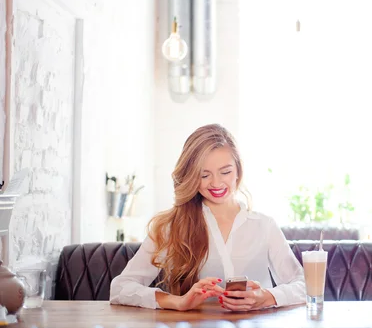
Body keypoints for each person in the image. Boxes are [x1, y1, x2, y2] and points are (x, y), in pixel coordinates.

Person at [110, 124, 306, 311]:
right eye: (204, 175)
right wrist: (177, 302)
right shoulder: (171, 227)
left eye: (225, 172)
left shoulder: (264, 226)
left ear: (238, 171)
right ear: (191, 176)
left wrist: (267, 298)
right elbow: (120, 288)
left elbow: (303, 285)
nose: (216, 183)